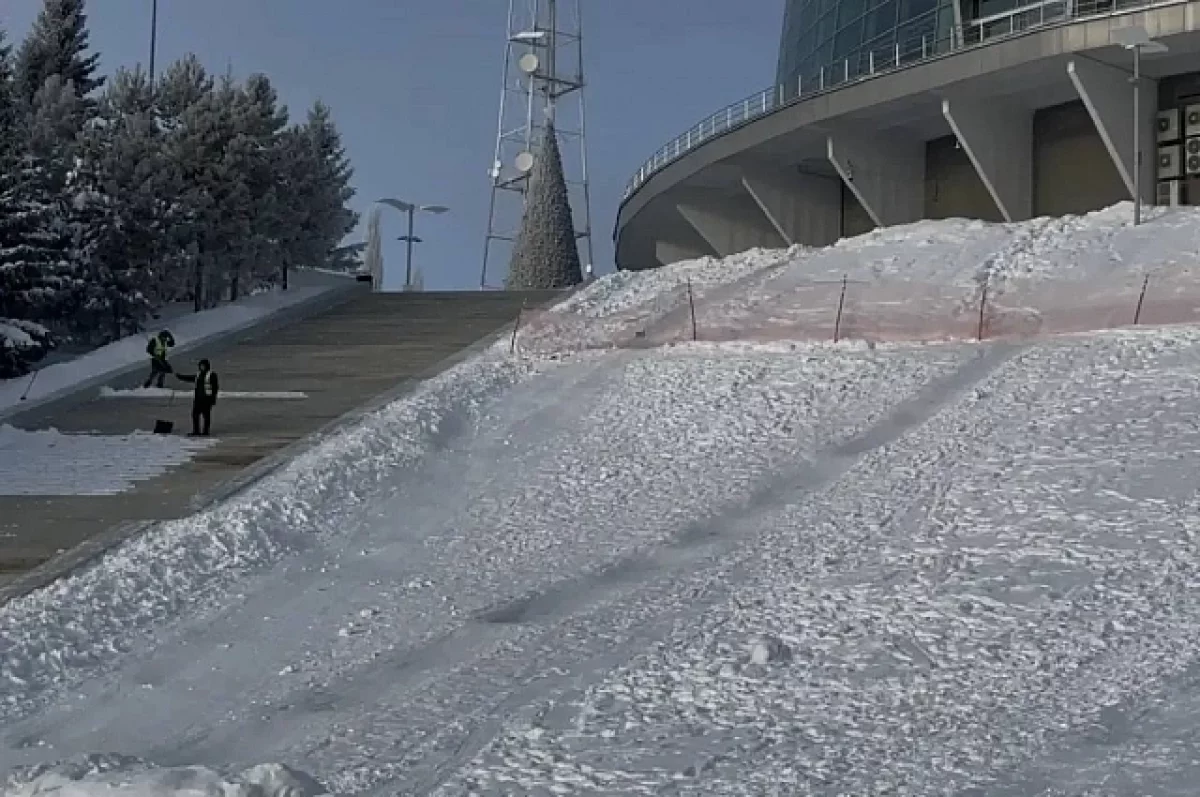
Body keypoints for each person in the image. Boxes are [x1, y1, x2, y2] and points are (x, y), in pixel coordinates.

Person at [176, 358, 220, 437]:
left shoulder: (212, 375)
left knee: (206, 416)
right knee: (195, 415)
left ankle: (205, 431)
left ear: (207, 366)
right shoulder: (198, 374)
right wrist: (180, 377)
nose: (202, 367)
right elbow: (190, 378)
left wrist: (213, 399)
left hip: (207, 399)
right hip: (198, 399)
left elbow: (215, 388)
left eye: (203, 366)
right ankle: (196, 431)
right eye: (201, 366)